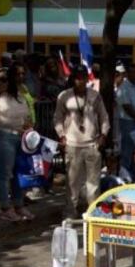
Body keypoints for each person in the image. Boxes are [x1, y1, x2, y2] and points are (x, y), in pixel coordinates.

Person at [53, 67, 109, 218]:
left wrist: (103, 134)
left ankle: (93, 213)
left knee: (93, 183)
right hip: (72, 144)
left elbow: (104, 117)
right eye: (78, 77)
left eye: (84, 77)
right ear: (73, 79)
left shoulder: (95, 96)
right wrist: (61, 135)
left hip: (92, 144)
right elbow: (57, 117)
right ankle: (70, 212)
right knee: (72, 183)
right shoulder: (64, 96)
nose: (81, 81)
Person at [0, 67, 32, 221]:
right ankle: (6, 207)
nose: (1, 83)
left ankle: (19, 204)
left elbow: (27, 116)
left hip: (20, 137)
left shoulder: (20, 97)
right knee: (5, 173)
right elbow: (0, 120)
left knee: (19, 171)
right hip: (2, 137)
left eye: (4, 79)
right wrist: (18, 127)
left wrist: (26, 126)